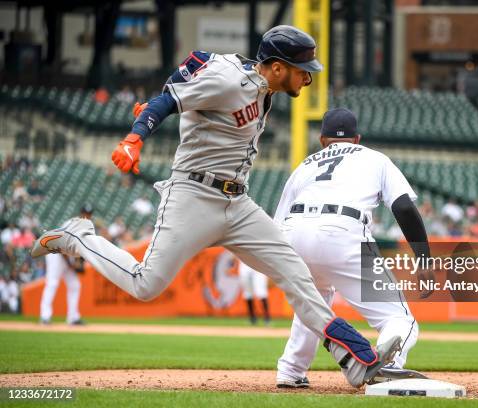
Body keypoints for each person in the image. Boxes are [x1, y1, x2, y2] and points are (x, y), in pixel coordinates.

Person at [31, 25, 400, 388]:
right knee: (146, 284)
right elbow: (168, 100)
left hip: (237, 203)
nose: (307, 79)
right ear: (276, 67)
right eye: (302, 71)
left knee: (296, 273)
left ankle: (351, 356)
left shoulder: (260, 85)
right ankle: (78, 237)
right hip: (193, 195)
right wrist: (134, 137)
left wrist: (174, 90)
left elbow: (186, 74)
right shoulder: (228, 79)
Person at [274, 108, 429, 388]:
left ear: (322, 140)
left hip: (293, 233)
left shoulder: (305, 165)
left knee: (314, 302)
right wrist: (424, 260)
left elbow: (277, 222)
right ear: (357, 138)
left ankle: (290, 371)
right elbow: (404, 206)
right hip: (343, 229)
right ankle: (388, 366)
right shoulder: (374, 158)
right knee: (398, 319)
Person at [39, 204, 93, 325]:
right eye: (85, 213)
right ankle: (45, 316)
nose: (87, 216)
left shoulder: (88, 228)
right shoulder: (72, 224)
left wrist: (78, 264)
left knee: (75, 285)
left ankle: (72, 318)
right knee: (52, 283)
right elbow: (60, 244)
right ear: (81, 213)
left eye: (89, 214)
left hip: (67, 257)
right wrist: (70, 264)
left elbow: (82, 249)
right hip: (56, 254)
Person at [238, 260, 270, 325]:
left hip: (258, 264)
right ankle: (252, 317)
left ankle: (267, 317)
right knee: (248, 294)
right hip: (244, 265)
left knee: (261, 292)